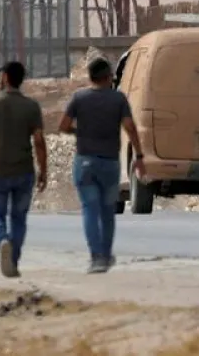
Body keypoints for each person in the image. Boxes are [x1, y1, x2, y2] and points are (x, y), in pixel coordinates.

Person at [58, 56, 145, 274]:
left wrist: (80, 132)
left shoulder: (79, 98)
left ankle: (95, 256)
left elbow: (64, 125)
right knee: (107, 212)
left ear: (90, 77)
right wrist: (140, 157)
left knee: (89, 209)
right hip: (109, 164)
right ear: (109, 77)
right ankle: (105, 256)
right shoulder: (118, 99)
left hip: (85, 162)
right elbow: (130, 127)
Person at [0, 60, 47, 279]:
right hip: (24, 172)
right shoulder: (31, 106)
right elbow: (39, 141)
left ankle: (2, 241)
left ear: (4, 77)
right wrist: (43, 170)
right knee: (19, 219)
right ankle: (12, 261)